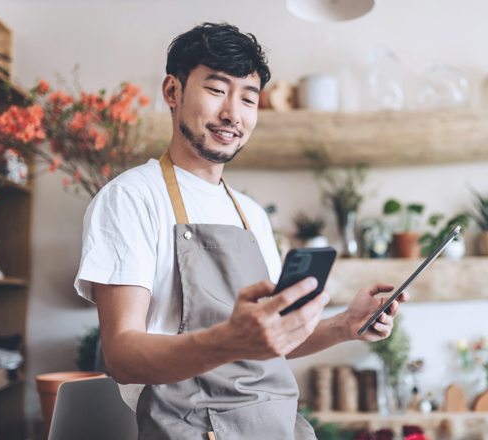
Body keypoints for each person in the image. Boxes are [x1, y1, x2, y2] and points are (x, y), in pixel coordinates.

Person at [75, 22, 409, 440]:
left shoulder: (250, 213)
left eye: (248, 98)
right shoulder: (130, 198)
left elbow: (270, 344)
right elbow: (122, 354)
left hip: (277, 428)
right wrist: (228, 341)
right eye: (216, 90)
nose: (233, 113)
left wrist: (343, 325)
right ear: (172, 92)